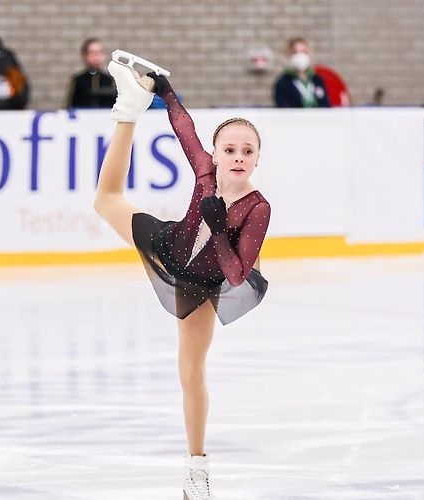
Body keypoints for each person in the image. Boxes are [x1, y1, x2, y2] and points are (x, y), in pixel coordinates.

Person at [94, 57, 271, 500]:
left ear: (257, 159)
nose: (237, 157)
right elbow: (184, 128)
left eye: (247, 151)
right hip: (169, 243)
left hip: (203, 283)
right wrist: (165, 92)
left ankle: (197, 468)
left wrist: (222, 228)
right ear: (216, 154)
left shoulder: (257, 207)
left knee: (191, 372)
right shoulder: (206, 172)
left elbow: (237, 273)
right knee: (105, 200)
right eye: (229, 149)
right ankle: (129, 110)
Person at [273, 37, 330, 108]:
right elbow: (283, 106)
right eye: (295, 52)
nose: (300, 56)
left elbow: (326, 105)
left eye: (304, 52)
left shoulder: (317, 80)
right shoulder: (283, 82)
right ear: (289, 56)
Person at [66, 38, 116, 108]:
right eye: (91, 52)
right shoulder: (78, 80)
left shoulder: (109, 80)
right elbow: (71, 105)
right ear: (84, 55)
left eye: (99, 52)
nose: (96, 56)